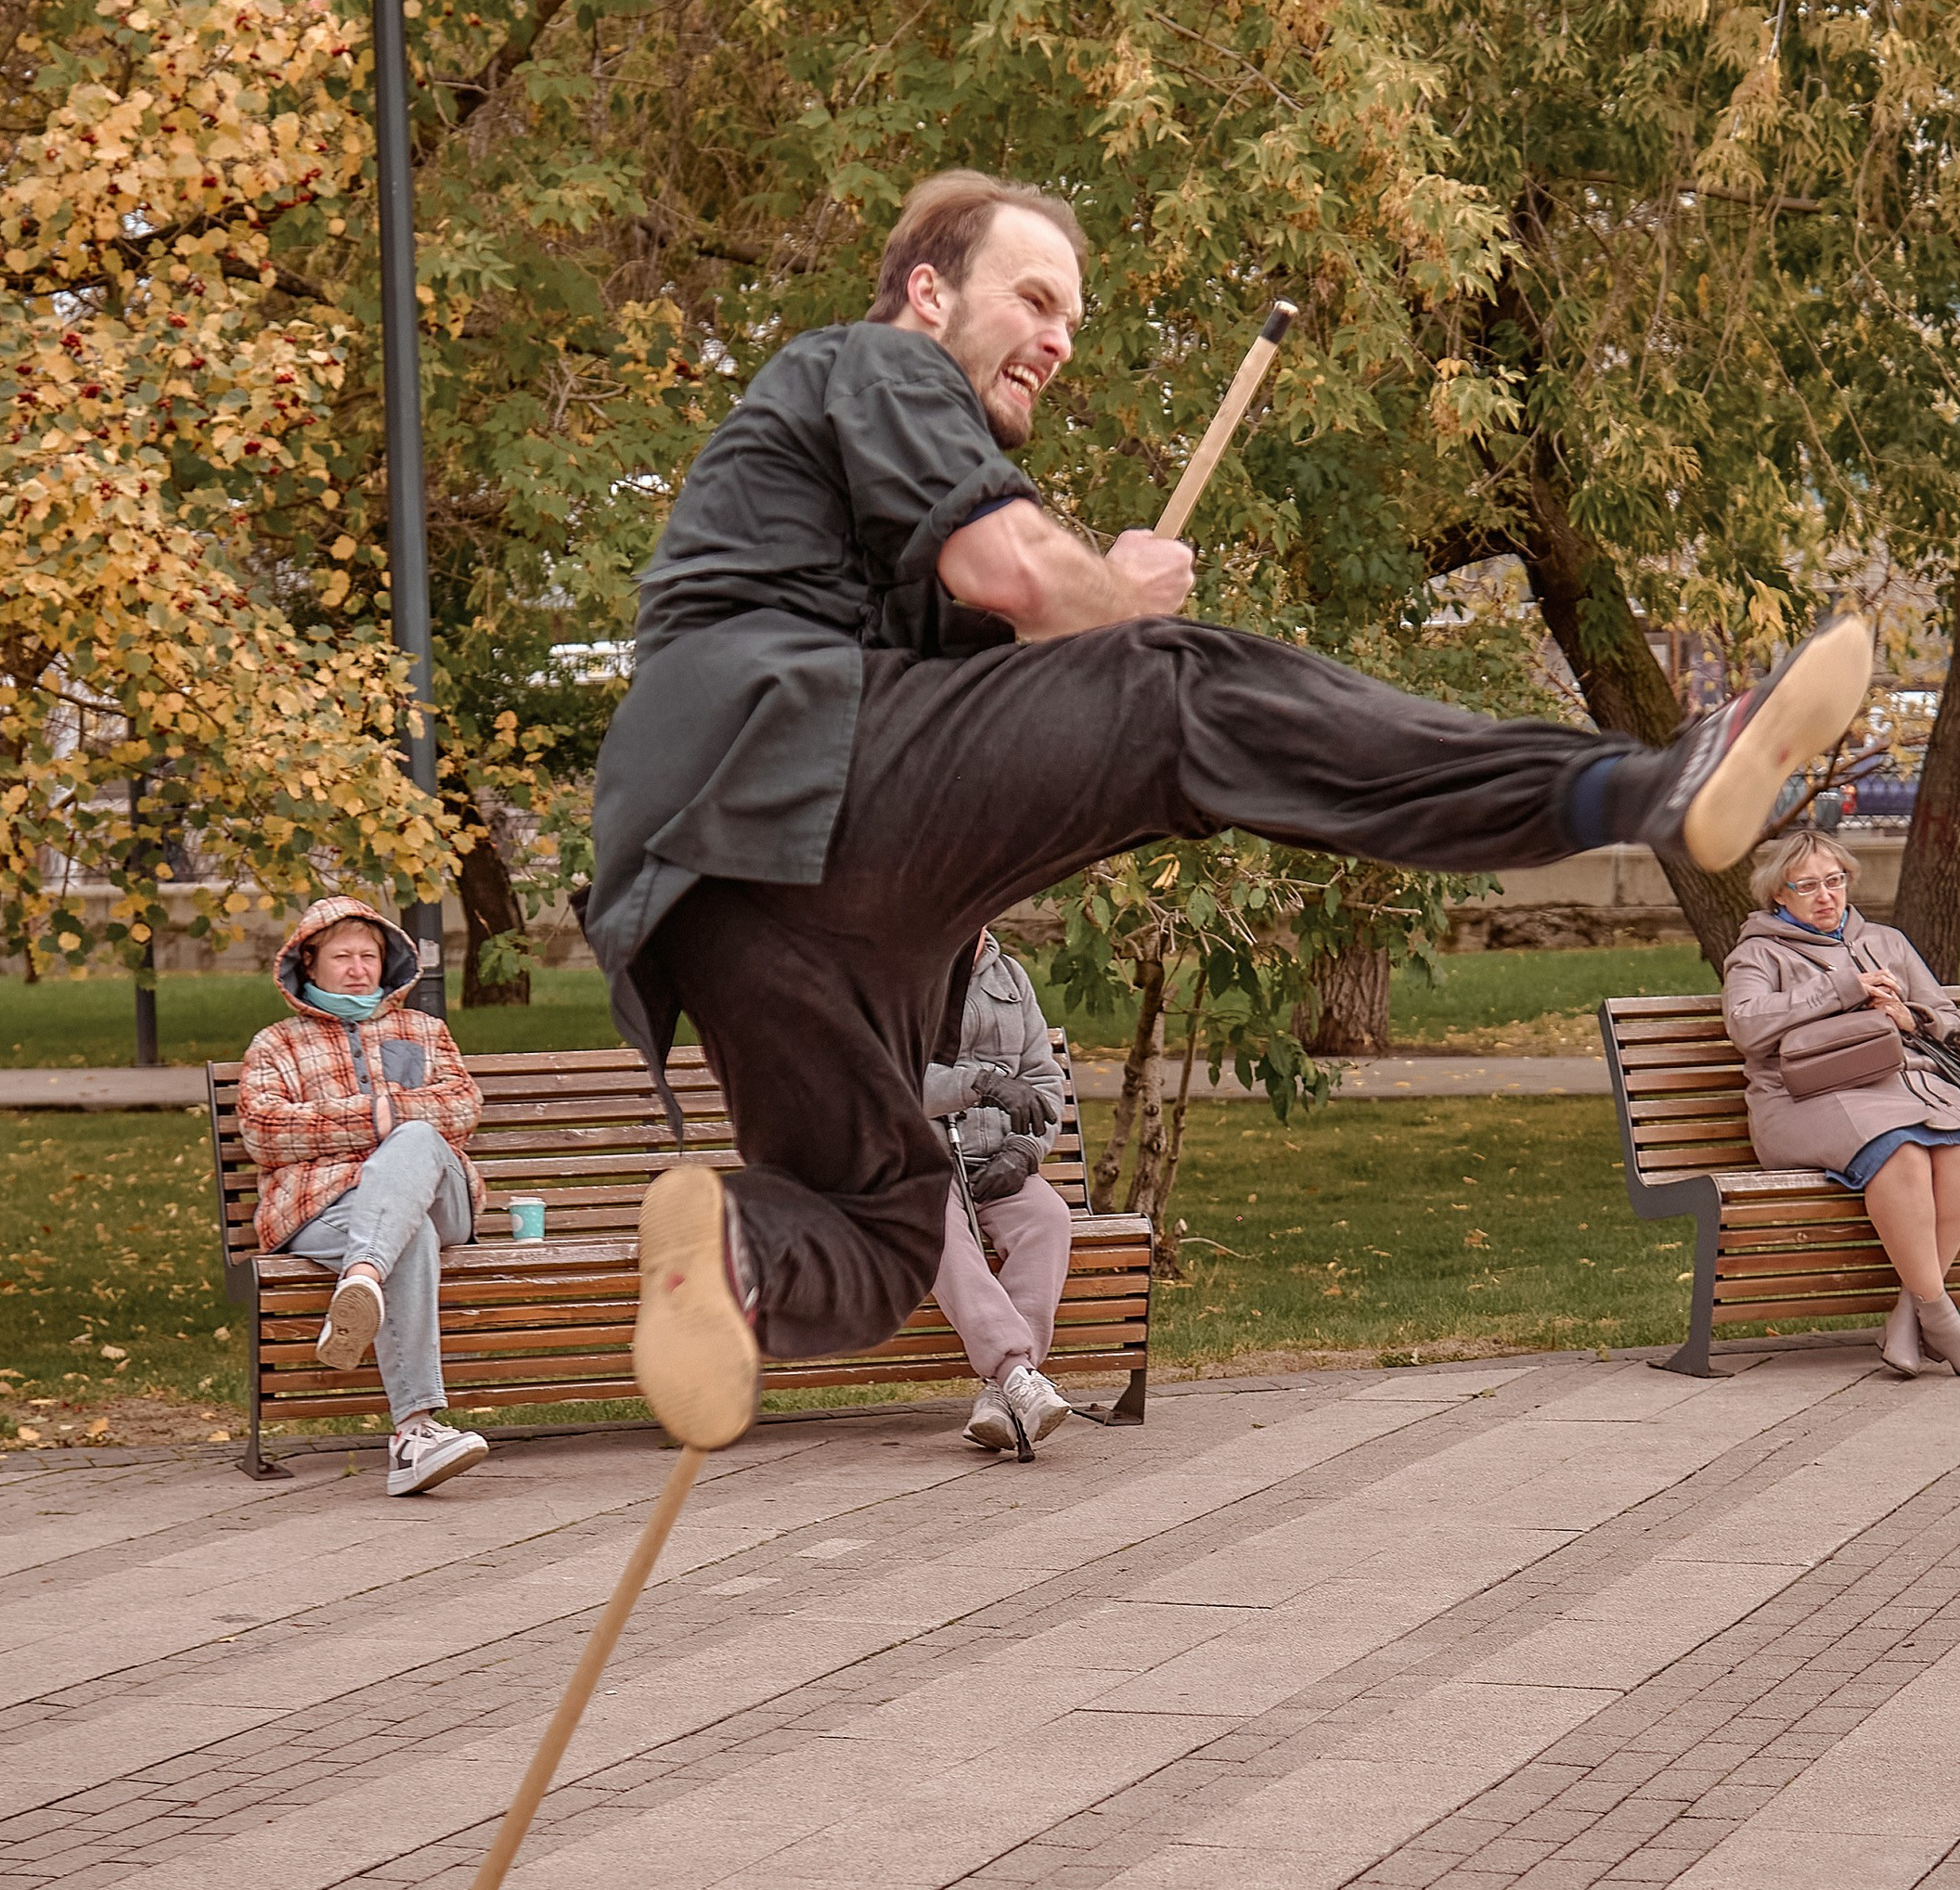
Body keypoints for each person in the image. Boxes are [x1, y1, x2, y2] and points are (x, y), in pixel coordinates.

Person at [585, 167, 1875, 1452]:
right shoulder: (874, 364)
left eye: (1075, 323)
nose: (1057, 340)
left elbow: (1008, 711)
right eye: (1034, 299)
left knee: (876, 1226)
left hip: (715, 906)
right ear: (928, 291)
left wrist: (1074, 628)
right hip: (785, 764)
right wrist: (1116, 595)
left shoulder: (862, 509)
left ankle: (729, 1249)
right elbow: (1016, 568)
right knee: (1179, 695)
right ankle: (1651, 786)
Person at [1721, 829, 1960, 1378]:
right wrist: (1844, 988)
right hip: (1801, 1100)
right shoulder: (1757, 953)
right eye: (1807, 886)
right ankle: (1942, 1319)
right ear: (1779, 894)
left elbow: (1947, 1016)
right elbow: (1747, 1026)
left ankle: (1911, 1313)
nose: (1826, 895)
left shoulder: (1888, 942)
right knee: (1901, 1152)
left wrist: (1911, 1017)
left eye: (1835, 881)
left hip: (1901, 1091)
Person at [238, 896, 495, 1492]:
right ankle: (414, 1437)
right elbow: (264, 1130)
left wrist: (386, 1122)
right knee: (410, 1235)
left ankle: (362, 1274)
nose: (358, 969)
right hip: (326, 1210)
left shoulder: (424, 1031)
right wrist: (380, 1117)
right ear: (309, 964)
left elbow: (461, 1108)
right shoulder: (276, 1045)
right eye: (342, 956)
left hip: (440, 1194)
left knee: (418, 1137)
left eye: (369, 956)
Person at [924, 926, 1074, 1453]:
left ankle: (1002, 1395)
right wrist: (981, 1082)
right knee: (934, 1223)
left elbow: (1044, 1079)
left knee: (1048, 1218)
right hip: (917, 1165)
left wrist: (1024, 1152)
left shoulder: (1008, 975)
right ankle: (1016, 1373)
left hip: (996, 1160)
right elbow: (883, 1080)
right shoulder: (893, 969)